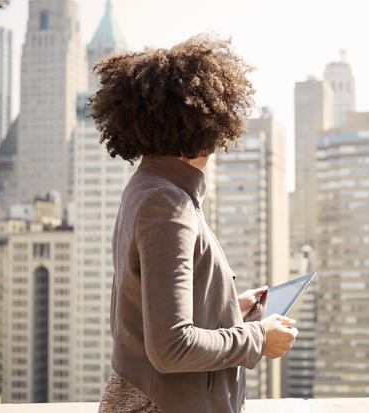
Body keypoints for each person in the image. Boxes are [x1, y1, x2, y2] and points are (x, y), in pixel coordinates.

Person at [91, 35, 298, 413]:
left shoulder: (149, 189)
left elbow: (150, 309)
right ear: (206, 123)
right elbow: (170, 347)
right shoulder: (165, 203)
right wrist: (257, 338)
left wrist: (228, 308)